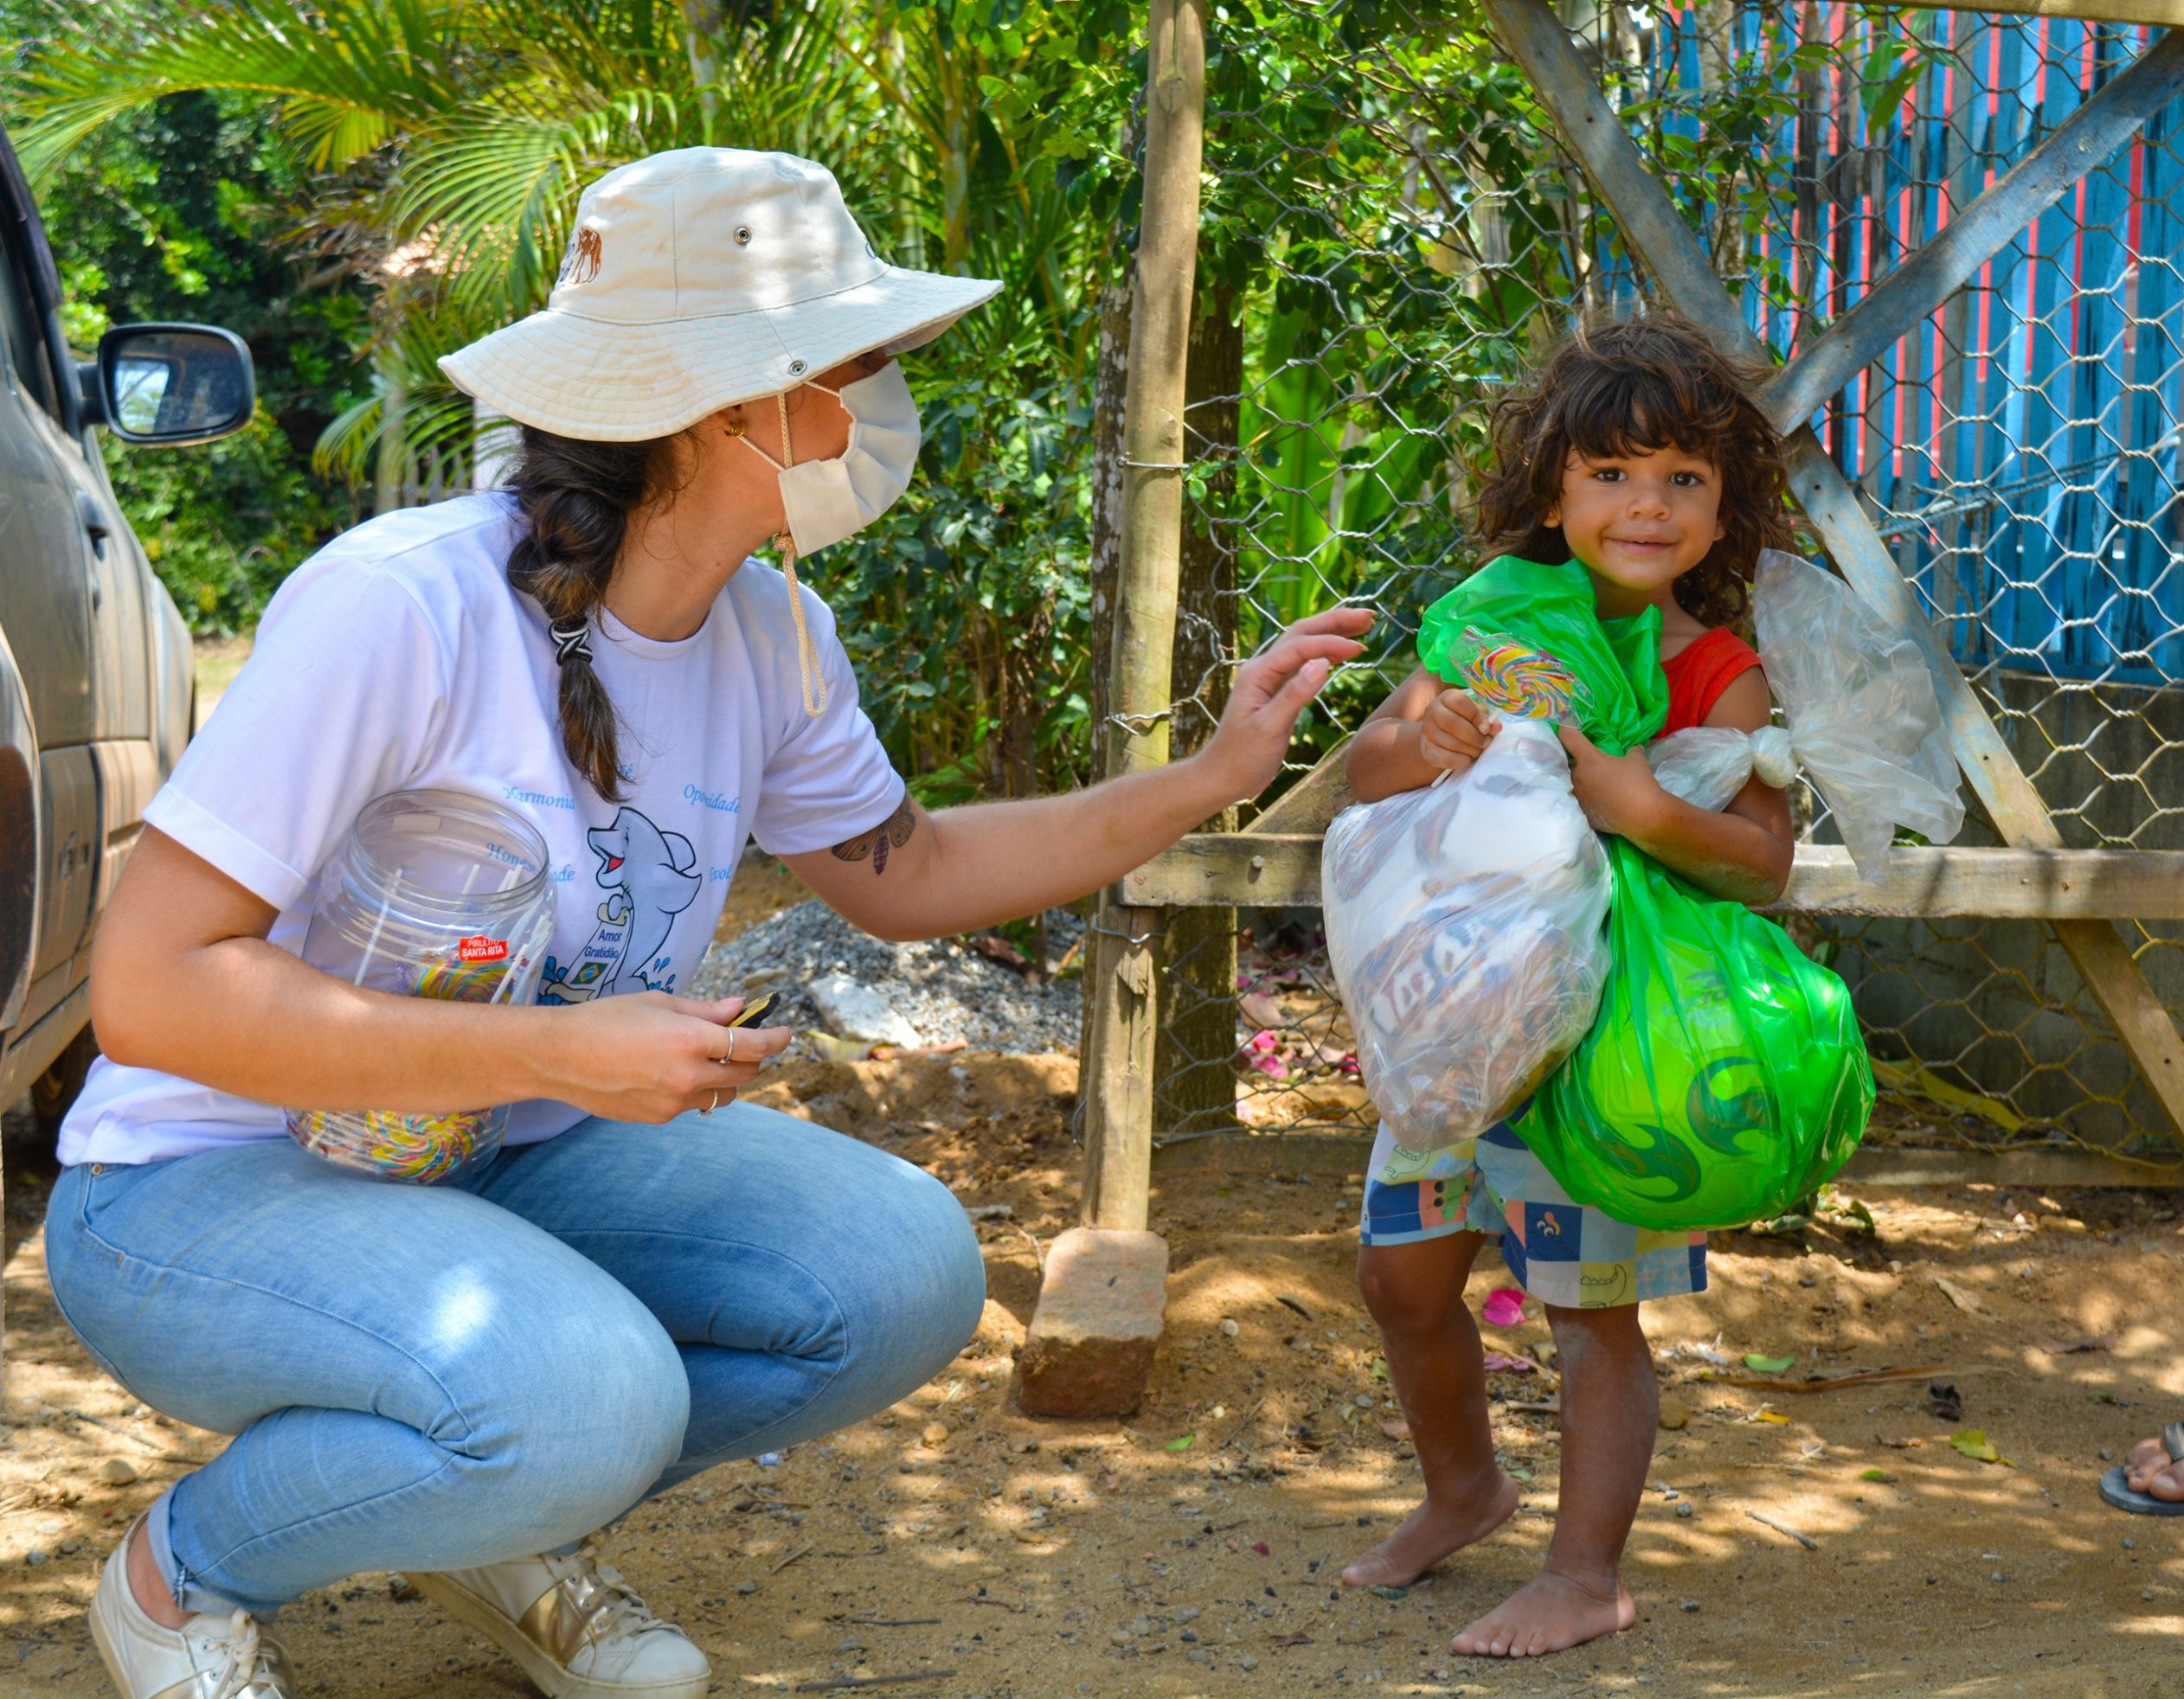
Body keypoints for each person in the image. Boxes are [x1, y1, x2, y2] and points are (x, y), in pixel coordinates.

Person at [44, 147, 1371, 1699]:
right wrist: (565, 1050)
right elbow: (145, 993)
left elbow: (909, 873)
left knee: (898, 1275)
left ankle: (499, 1513)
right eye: (865, 362)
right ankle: (179, 1577)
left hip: (492, 1155)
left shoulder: (773, 636)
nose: (891, 400)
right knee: (584, 1397)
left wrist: (1208, 777)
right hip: (203, 1190)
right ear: (740, 402)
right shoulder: (401, 605)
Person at [1338, 315, 1799, 1657]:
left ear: (1726, 511)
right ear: (1553, 491)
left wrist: (1635, 801)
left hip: (1606, 1059)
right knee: (1401, 1281)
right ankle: (1463, 1489)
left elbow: (1762, 861)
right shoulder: (1495, 624)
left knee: (1592, 1314)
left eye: (1683, 480)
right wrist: (1419, 735)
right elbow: (1371, 768)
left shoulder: (1716, 668)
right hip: (1462, 1034)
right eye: (1610, 473)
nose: (1645, 504)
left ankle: (1587, 1573)